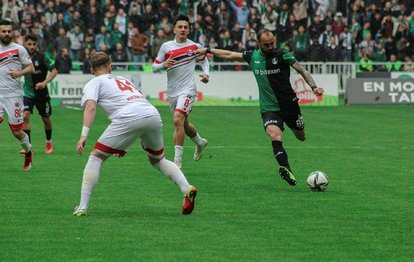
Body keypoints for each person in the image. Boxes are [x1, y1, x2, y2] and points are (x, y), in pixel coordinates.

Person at [73, 51, 197, 216]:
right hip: (151, 113)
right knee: (158, 160)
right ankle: (187, 188)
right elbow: (138, 114)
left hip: (128, 117)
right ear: (110, 67)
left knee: (96, 156)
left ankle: (82, 207)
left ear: (91, 70)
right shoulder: (123, 79)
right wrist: (122, 145)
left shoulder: (94, 82)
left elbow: (90, 107)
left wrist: (84, 135)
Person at [196, 29, 324, 186]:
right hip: (269, 108)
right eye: (266, 45)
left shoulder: (282, 54)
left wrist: (314, 87)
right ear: (259, 44)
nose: (270, 47)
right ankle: (286, 168)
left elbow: (301, 69)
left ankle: (287, 164)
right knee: (274, 135)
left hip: (290, 105)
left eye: (272, 43)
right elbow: (229, 54)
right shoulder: (253, 56)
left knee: (301, 137)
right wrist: (208, 50)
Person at [152, 14, 209, 169]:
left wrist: (206, 74)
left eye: (186, 27)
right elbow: (154, 67)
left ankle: (177, 162)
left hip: (188, 89)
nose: (183, 29)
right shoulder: (166, 47)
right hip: (172, 92)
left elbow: (204, 61)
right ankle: (200, 142)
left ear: (189, 30)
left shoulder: (194, 47)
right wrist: (163, 64)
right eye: (180, 27)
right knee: (184, 124)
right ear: (174, 30)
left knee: (177, 120)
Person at [0, 20, 35, 171]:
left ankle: (28, 152)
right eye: (3, 31)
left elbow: (31, 68)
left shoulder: (19, 49)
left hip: (13, 95)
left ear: (12, 32)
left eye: (9, 31)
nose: (6, 34)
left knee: (16, 132)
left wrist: (19, 73)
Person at [21, 34, 58, 155]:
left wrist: (44, 82)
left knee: (45, 119)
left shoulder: (43, 56)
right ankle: (28, 146)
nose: (32, 47)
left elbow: (54, 70)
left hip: (42, 94)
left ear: (37, 44)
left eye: (34, 44)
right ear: (25, 44)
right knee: (25, 116)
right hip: (27, 93)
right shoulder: (21, 57)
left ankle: (49, 141)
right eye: (29, 44)